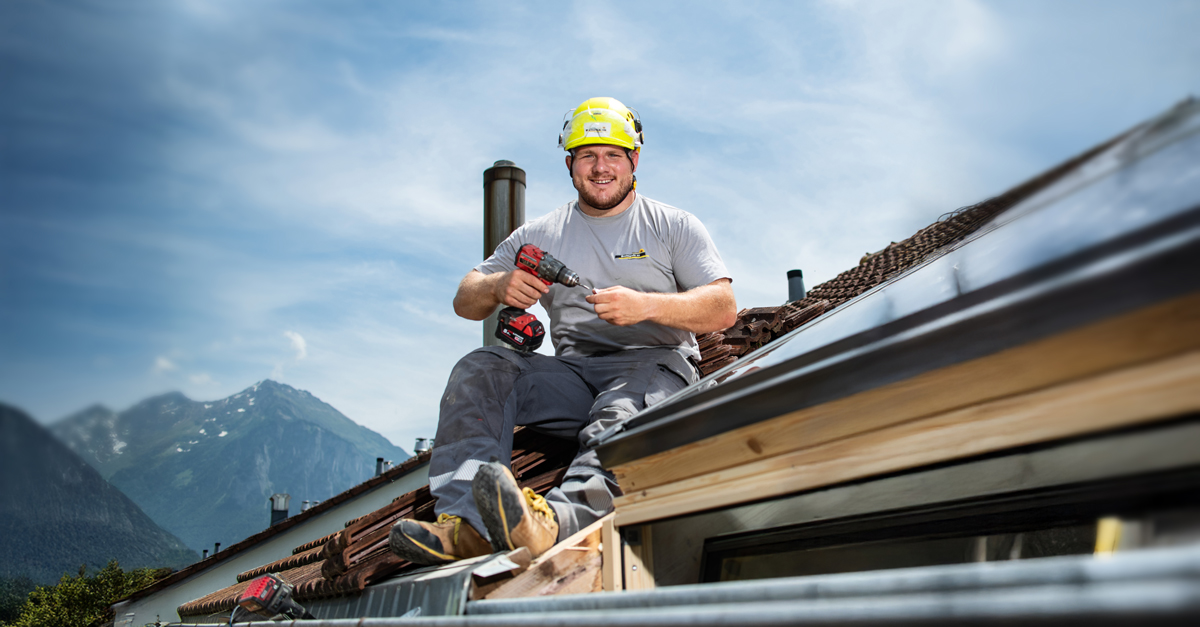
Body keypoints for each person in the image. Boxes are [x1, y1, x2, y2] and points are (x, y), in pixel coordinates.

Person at [389, 97, 736, 565]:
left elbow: (722, 308)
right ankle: (467, 523)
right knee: (481, 367)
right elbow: (465, 299)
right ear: (570, 164)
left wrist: (645, 306)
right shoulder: (542, 233)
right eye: (587, 156)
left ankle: (553, 524)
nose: (600, 167)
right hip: (572, 377)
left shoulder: (672, 225)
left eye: (613, 154)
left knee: (620, 413)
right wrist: (498, 284)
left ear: (634, 160)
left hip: (655, 366)